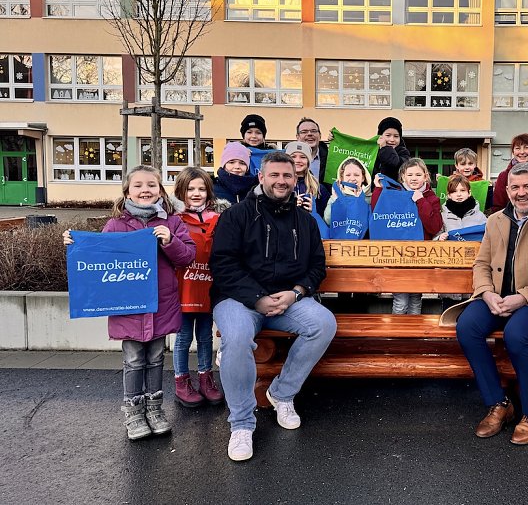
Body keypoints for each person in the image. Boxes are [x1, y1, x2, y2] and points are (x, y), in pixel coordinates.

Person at [209, 152, 337, 462]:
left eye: (287, 176)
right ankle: (241, 423)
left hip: (287, 301)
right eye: (275, 175)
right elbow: (223, 265)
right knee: (236, 339)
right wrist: (257, 298)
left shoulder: (305, 221)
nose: (281, 181)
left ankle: (281, 393)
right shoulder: (237, 215)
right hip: (238, 300)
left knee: (323, 324)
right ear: (261, 177)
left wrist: (296, 292)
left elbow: (317, 266)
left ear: (296, 179)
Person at [62, 166, 196, 440]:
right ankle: (134, 413)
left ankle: (155, 410)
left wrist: (169, 241)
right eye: (138, 185)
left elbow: (187, 257)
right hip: (128, 308)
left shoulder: (171, 222)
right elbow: (98, 257)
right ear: (127, 192)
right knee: (134, 359)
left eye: (151, 185)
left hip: (160, 305)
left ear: (160, 190)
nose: (145, 190)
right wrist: (75, 243)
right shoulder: (116, 225)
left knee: (156, 358)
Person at [453, 162, 528, 445]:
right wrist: (486, 293)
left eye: (527, 186)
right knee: (467, 327)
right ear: (506, 189)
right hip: (496, 298)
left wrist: (522, 297)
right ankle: (499, 403)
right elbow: (482, 263)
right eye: (515, 187)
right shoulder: (495, 220)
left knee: (516, 334)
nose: (521, 192)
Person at [171, 167, 227, 408]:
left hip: (207, 286)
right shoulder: (173, 219)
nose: (196, 193)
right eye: (190, 189)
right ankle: (181, 381)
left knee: (205, 336)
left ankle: (206, 379)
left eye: (201, 189)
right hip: (182, 288)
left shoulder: (218, 218)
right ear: (181, 191)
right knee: (183, 338)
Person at [372, 157, 442, 314]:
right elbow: (378, 212)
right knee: (401, 301)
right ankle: (396, 329)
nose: (414, 178)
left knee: (416, 299)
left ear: (425, 176)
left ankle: (414, 329)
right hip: (399, 255)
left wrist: (421, 201)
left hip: (421, 257)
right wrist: (378, 189)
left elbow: (434, 226)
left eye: (418, 174)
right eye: (410, 175)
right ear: (403, 176)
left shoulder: (431, 198)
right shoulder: (395, 195)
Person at [435, 174, 488, 240]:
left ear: (469, 193)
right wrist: (439, 237)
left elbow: (488, 236)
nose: (459, 194)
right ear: (449, 195)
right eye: (454, 191)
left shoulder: (480, 216)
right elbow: (434, 238)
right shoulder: (442, 217)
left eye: (462, 190)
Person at [284, 141, 330, 217]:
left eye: (303, 157)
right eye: (293, 157)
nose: (298, 160)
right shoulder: (279, 185)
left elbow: (328, 218)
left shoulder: (318, 188)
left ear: (308, 161)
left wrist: (314, 211)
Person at [323, 157, 372, 225]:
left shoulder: (370, 198)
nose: (352, 178)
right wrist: (336, 200)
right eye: (348, 175)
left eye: (356, 175)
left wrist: (358, 201)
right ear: (342, 178)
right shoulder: (336, 196)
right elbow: (328, 221)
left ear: (363, 178)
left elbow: (370, 223)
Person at [452, 147, 492, 211]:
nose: (467, 167)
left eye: (470, 164)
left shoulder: (481, 182)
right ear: (456, 165)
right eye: (463, 164)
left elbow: (487, 205)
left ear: (475, 164)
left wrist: (489, 189)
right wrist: (441, 181)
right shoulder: (451, 182)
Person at [372, 116, 411, 181]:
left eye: (396, 136)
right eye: (388, 135)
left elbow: (394, 163)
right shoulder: (373, 152)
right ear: (380, 136)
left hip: (395, 187)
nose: (392, 139)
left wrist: (385, 148)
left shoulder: (404, 153)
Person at [296, 117, 329, 187]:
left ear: (320, 135)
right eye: (304, 132)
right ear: (297, 137)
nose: (309, 134)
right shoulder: (288, 159)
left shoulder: (330, 159)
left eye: (313, 131)